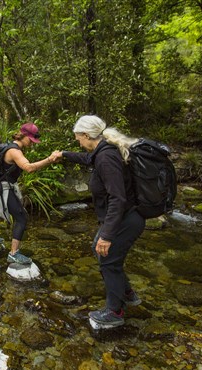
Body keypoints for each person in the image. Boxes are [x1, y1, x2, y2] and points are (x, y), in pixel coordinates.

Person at [51, 115, 145, 328]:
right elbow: (86, 159)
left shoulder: (106, 158)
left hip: (126, 218)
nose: (77, 142)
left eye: (78, 138)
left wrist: (107, 235)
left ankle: (115, 311)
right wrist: (64, 155)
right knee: (100, 251)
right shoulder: (102, 151)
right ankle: (127, 293)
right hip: (126, 217)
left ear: (86, 135)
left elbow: (117, 198)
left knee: (107, 260)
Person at [0, 122, 56, 264]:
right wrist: (50, 159)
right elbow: (28, 168)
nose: (32, 143)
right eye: (31, 139)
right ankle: (13, 254)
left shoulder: (9, 146)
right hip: (3, 188)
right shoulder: (14, 151)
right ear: (23, 136)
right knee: (22, 217)